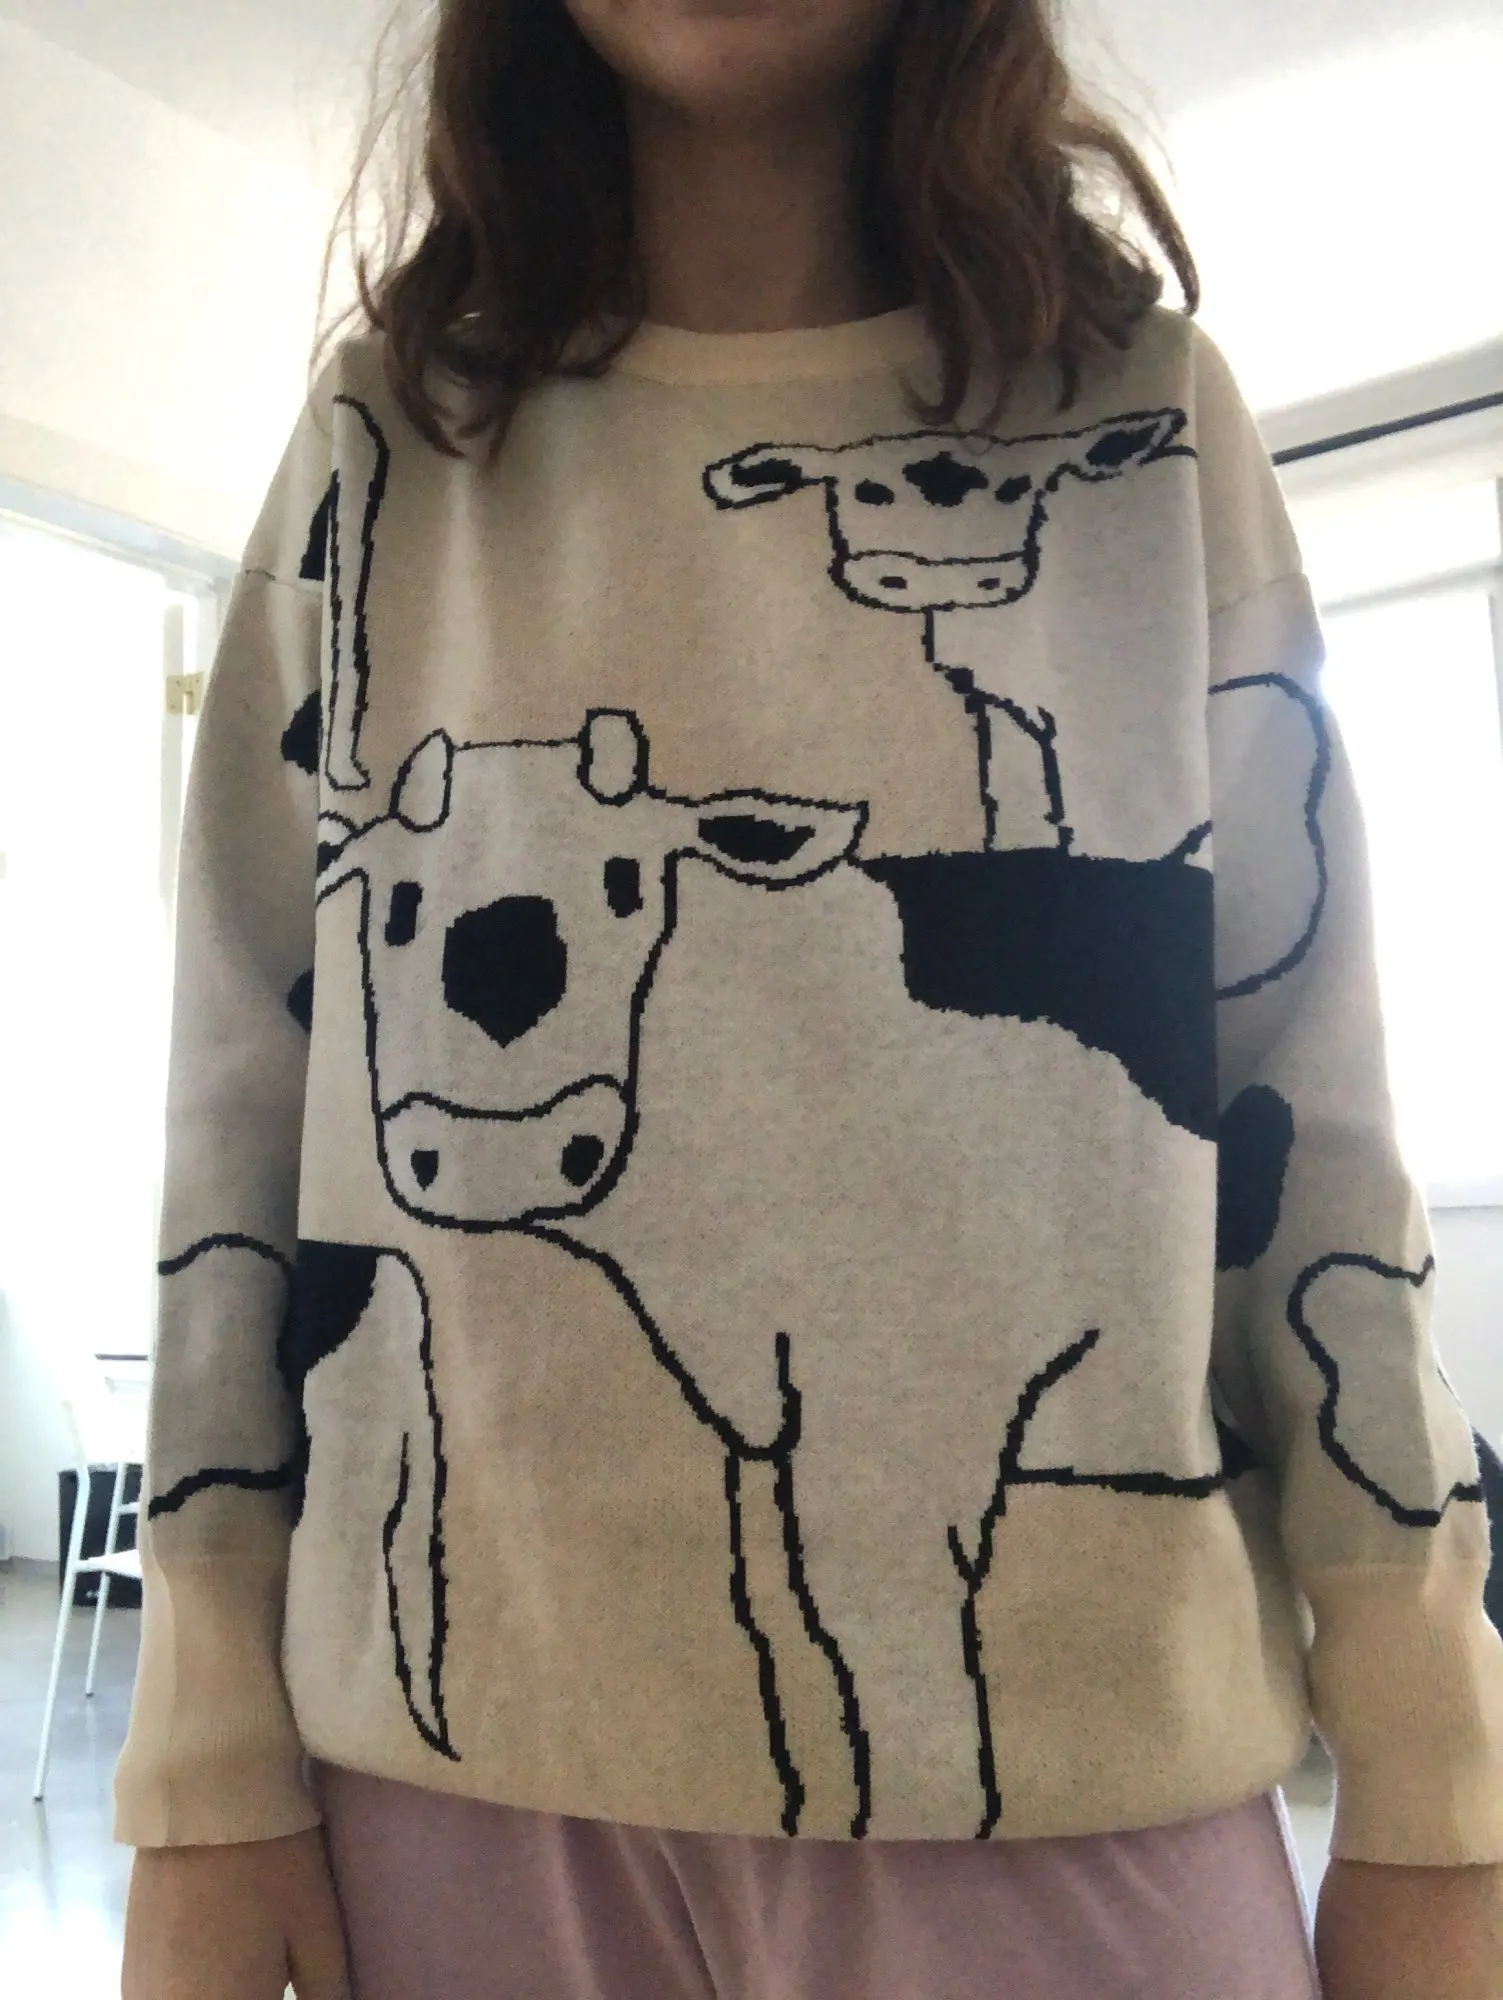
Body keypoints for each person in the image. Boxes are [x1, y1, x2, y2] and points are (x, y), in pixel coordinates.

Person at [117, 1, 1503, 1995]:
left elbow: (1310, 1110)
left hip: (1077, 1781)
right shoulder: (386, 441)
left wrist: (1437, 1778)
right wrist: (201, 1762)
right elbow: (241, 1100)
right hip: (448, 1778)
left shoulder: (1146, 422)